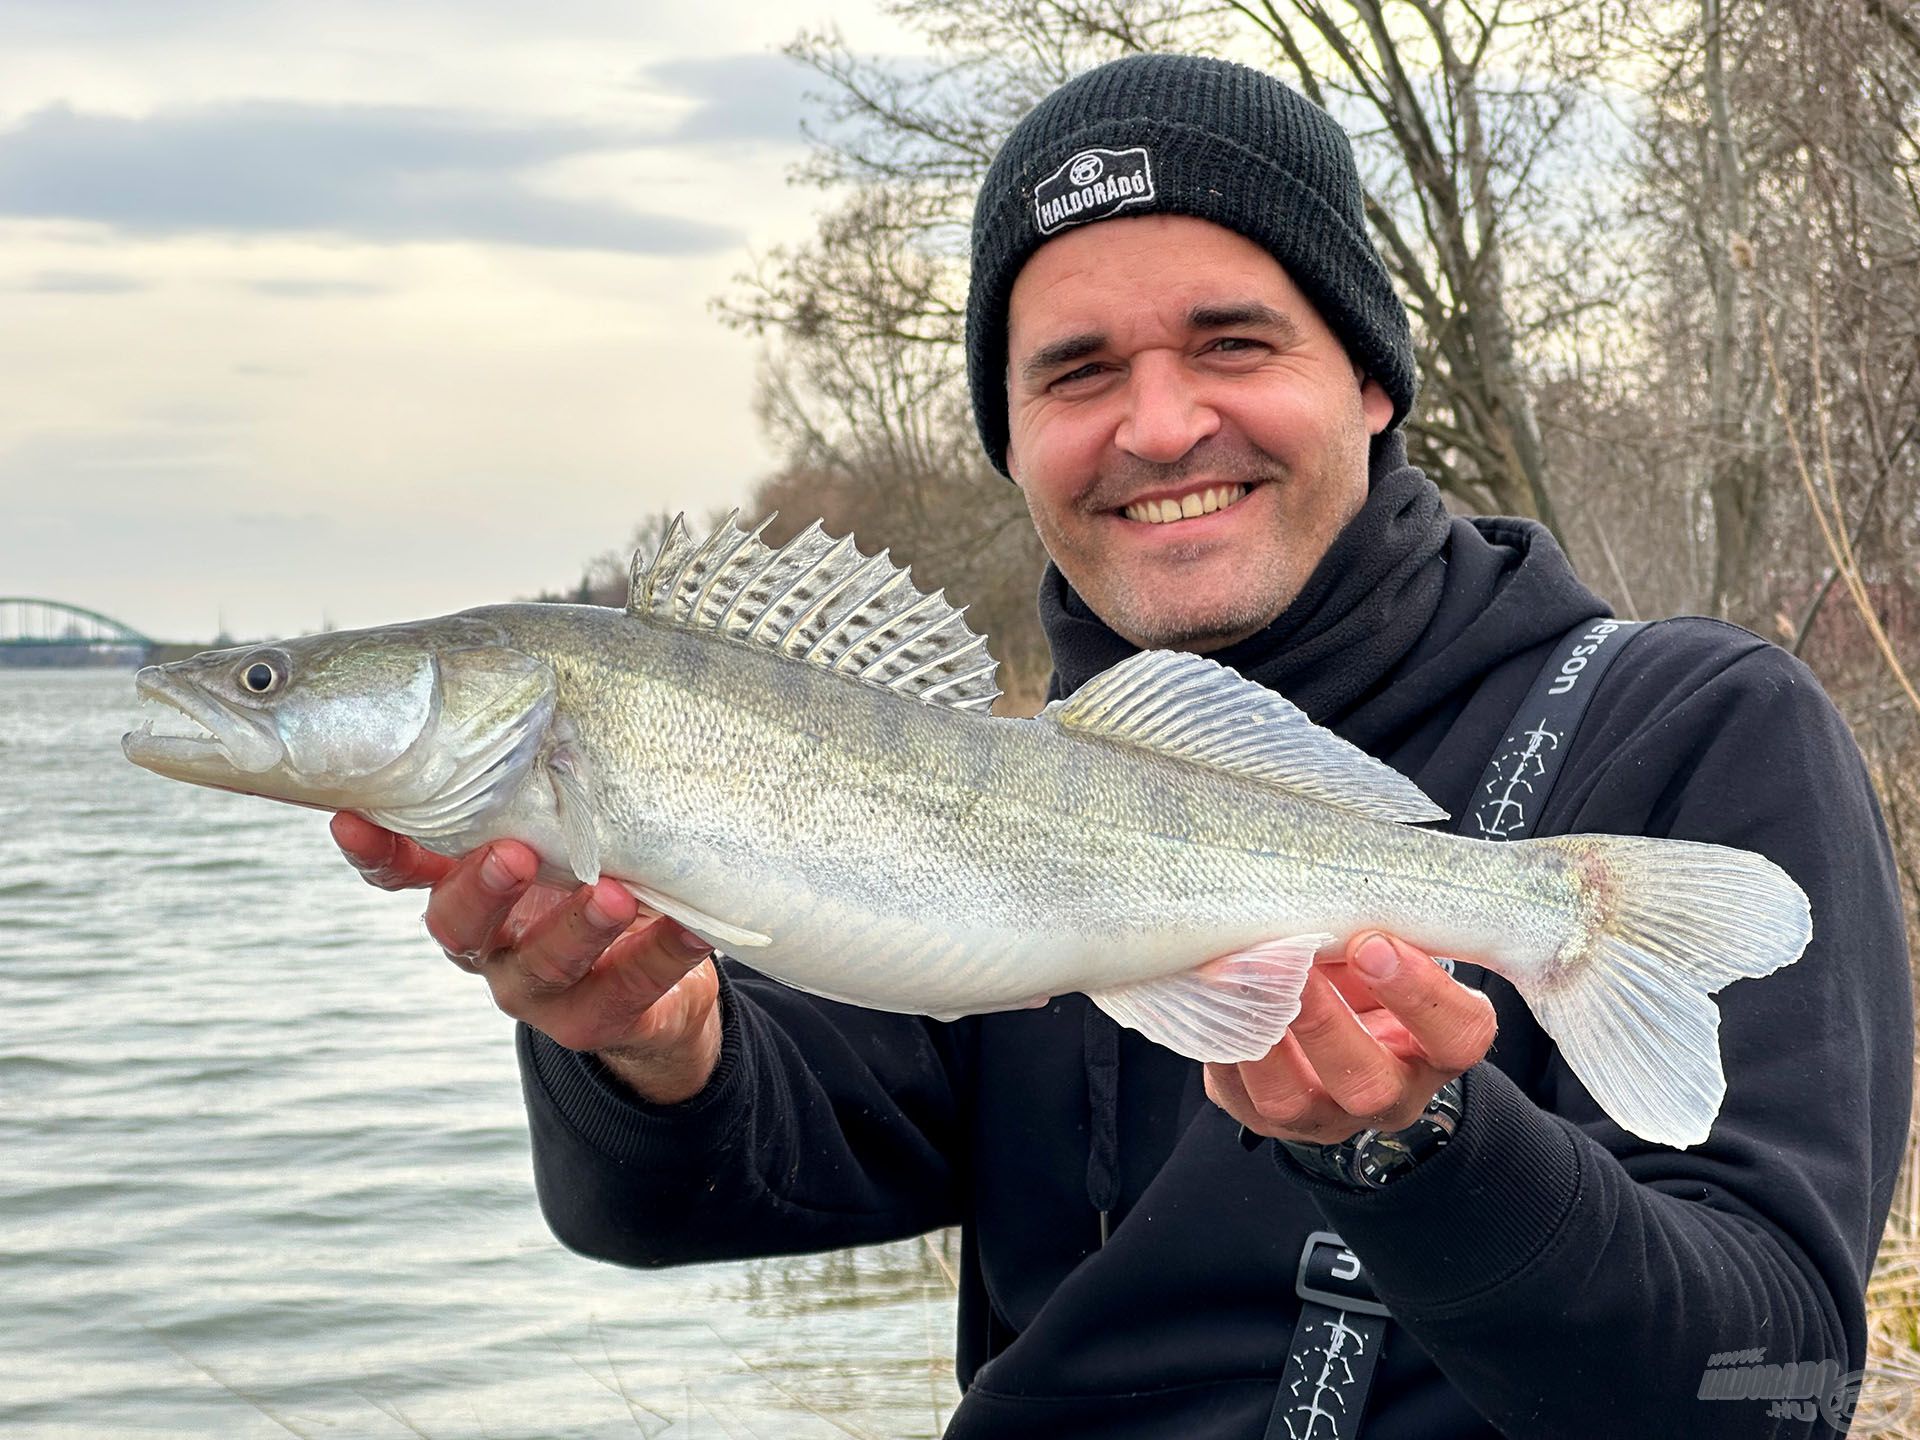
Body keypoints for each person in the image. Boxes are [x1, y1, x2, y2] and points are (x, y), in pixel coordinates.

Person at [332, 54, 1913, 1438]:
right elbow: (674, 1206)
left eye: (1232, 343)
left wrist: (1420, 1144)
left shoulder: (1700, 730)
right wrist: (642, 1048)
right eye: (1077, 371)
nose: (1157, 427)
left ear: (1368, 378)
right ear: (1013, 438)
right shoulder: (959, 797)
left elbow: (1762, 1388)